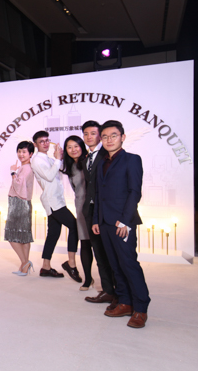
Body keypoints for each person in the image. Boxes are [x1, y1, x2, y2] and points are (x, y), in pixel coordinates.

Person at [92, 120, 150, 328]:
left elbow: (135, 192)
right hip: (104, 222)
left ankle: (141, 308)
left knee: (128, 264)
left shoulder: (132, 159)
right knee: (115, 265)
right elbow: (99, 194)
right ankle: (125, 302)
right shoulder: (101, 162)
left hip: (122, 223)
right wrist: (96, 219)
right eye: (105, 137)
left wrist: (125, 221)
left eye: (113, 136)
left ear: (122, 137)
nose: (109, 140)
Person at [30, 130, 81, 282]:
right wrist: (58, 159)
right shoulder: (36, 160)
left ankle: (45, 267)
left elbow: (60, 172)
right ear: (35, 144)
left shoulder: (48, 158)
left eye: (47, 140)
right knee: (74, 226)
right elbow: (50, 176)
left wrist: (60, 158)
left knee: (53, 233)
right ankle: (71, 263)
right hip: (53, 201)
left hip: (56, 199)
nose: (45, 144)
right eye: (41, 141)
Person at [81, 121, 117, 307]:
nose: (89, 137)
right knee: (99, 253)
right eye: (86, 134)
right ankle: (107, 291)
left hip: (106, 211)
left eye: (93, 133)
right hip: (91, 211)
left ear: (100, 136)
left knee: (112, 253)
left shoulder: (107, 155)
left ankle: (120, 294)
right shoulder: (86, 158)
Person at [62, 135, 93, 290]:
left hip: (94, 207)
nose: (73, 150)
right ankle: (88, 279)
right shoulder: (70, 167)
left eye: (76, 146)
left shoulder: (89, 162)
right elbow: (76, 190)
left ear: (82, 147)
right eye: (69, 147)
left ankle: (109, 282)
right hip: (80, 207)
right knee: (85, 243)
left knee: (99, 245)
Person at [4, 141, 35, 276]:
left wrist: (13, 172)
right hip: (25, 203)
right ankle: (24, 265)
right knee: (24, 235)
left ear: (31, 154)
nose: (21, 154)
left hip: (19, 203)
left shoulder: (26, 168)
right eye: (19, 151)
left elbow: (18, 184)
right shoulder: (27, 167)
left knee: (11, 235)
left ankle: (25, 262)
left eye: (24, 152)